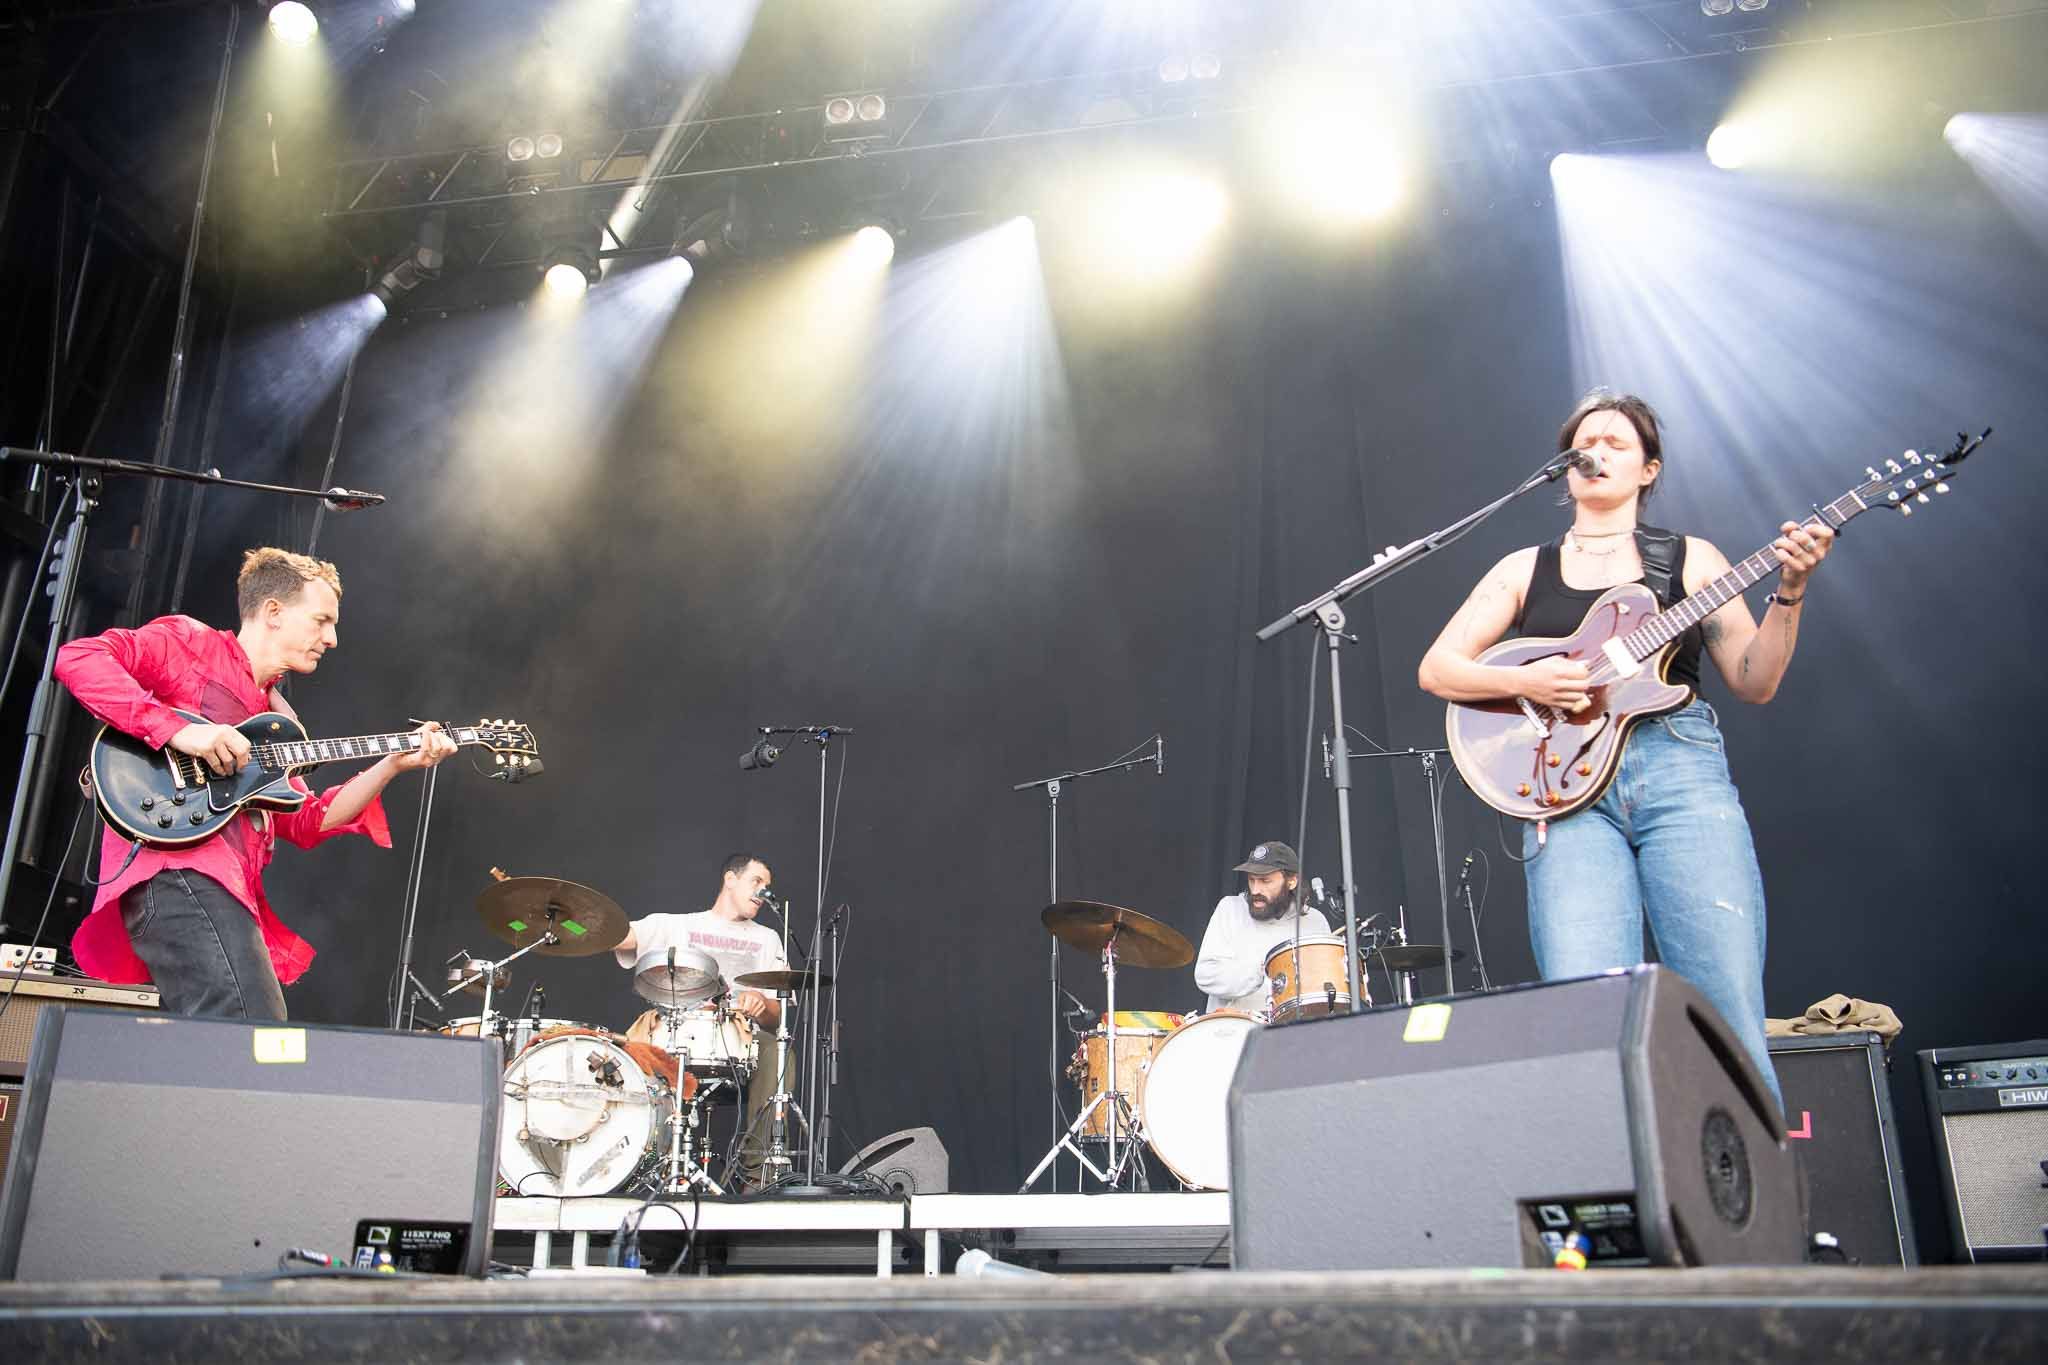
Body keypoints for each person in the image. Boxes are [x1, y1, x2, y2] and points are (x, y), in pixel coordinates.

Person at [1417, 389, 1833, 1104]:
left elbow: (1753, 680)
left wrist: (1789, 590)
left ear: (1649, 469)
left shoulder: (1690, 558)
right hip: (1568, 793)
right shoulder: (1526, 567)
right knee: (1587, 1013)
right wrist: (1536, 681)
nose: (1596, 451)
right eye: (1585, 441)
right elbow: (1438, 668)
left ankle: (1752, 1207)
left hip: (1678, 769)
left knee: (1723, 1002)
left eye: (1615, 441)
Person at [52, 546, 457, 1019]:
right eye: (321, 620)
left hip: (222, 890)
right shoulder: (191, 644)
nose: (332, 639)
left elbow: (310, 821)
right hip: (177, 873)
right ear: (273, 612)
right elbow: (79, 657)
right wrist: (181, 731)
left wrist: (391, 764)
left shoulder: (277, 721)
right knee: (259, 1032)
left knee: (243, 1041)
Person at [614, 852, 785, 1031]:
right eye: (756, 881)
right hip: (678, 1037)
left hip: (743, 1045)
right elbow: (608, 937)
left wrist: (762, 1003)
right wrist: (580, 926)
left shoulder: (768, 939)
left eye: (766, 886)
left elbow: (777, 1019)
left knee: (784, 1057)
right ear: (730, 879)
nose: (764, 893)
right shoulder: (677, 925)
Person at [1193, 841, 1331, 1015]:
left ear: (1291, 881)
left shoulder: (1315, 921)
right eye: (1252, 880)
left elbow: (1326, 986)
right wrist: (1263, 971)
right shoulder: (1231, 908)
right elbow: (1206, 975)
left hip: (1293, 1030)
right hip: (1234, 1030)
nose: (1256, 889)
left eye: (1265, 881)